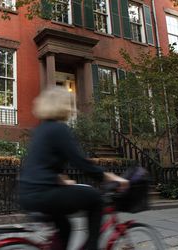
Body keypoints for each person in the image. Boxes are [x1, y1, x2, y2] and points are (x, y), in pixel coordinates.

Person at [18, 87, 128, 250]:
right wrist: (110, 177)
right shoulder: (59, 129)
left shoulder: (40, 129)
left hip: (28, 193)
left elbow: (42, 163)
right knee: (95, 199)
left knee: (66, 228)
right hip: (43, 193)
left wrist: (61, 179)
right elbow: (80, 162)